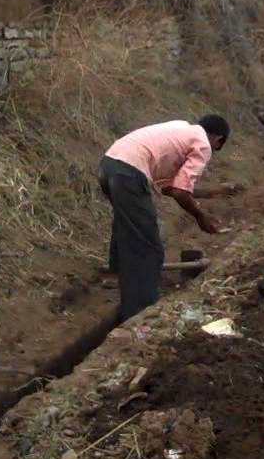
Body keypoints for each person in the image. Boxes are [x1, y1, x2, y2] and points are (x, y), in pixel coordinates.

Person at [98, 115, 229, 322]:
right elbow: (180, 192)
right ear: (218, 140)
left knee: (127, 222)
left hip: (109, 164)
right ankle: (140, 311)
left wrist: (210, 193)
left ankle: (115, 275)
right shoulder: (203, 144)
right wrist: (200, 216)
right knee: (148, 245)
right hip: (129, 172)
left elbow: (171, 188)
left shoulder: (180, 129)